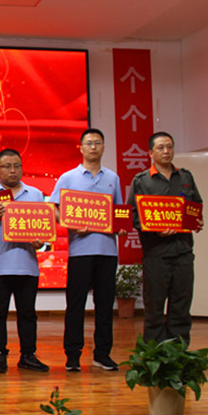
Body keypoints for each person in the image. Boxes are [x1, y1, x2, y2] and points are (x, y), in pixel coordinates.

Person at [50, 129, 124, 372]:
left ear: (104, 147)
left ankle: (102, 354)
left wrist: (122, 227)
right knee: (76, 304)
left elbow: (119, 211)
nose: (93, 147)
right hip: (80, 251)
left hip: (107, 250)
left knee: (105, 305)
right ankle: (72, 355)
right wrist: (68, 223)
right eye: (89, 143)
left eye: (98, 143)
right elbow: (53, 208)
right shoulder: (68, 178)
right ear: (81, 148)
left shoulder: (112, 178)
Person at [0, 149, 49, 373]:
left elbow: (44, 233)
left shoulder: (35, 194)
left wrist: (40, 242)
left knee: (28, 314)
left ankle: (28, 355)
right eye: (7, 166)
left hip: (27, 265)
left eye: (17, 166)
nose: (13, 170)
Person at [128, 131, 203, 345]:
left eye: (169, 146)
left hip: (183, 253)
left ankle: (179, 353)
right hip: (156, 254)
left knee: (181, 307)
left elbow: (196, 206)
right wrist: (155, 230)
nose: (166, 151)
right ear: (150, 153)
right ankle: (154, 354)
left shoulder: (186, 177)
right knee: (154, 308)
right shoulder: (142, 181)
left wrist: (197, 221)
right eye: (160, 147)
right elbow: (133, 215)